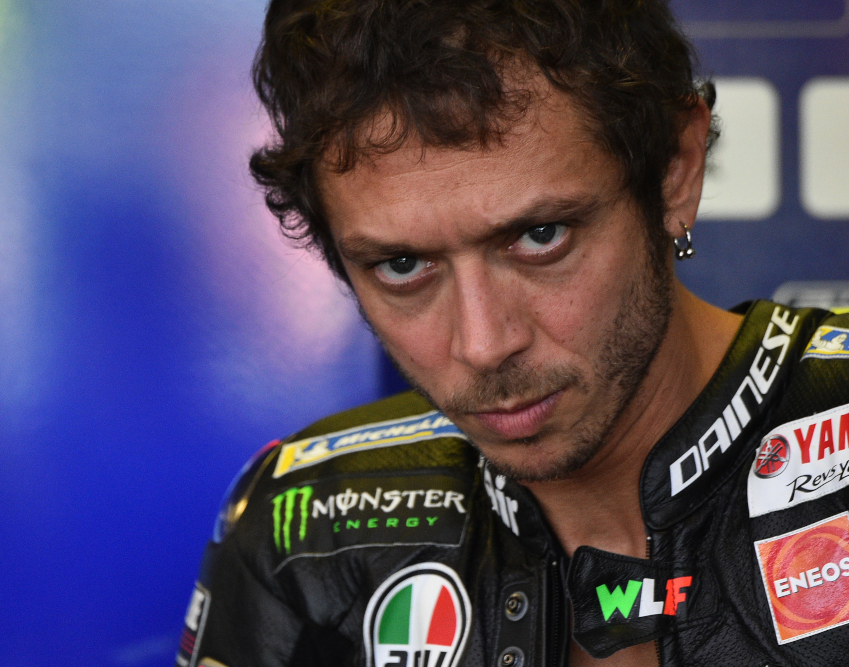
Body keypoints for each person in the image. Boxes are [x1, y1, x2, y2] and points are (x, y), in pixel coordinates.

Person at [176, 1, 849, 665]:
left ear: (676, 169)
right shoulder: (305, 532)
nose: (483, 345)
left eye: (540, 236)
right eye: (402, 266)